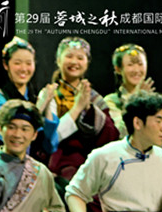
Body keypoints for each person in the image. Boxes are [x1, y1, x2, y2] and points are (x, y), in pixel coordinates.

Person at [46, 36, 119, 182]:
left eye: (80, 58)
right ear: (58, 60)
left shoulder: (94, 97)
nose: (74, 62)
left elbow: (112, 136)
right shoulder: (50, 95)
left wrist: (90, 110)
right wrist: (78, 108)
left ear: (87, 63)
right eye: (69, 56)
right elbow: (51, 137)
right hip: (60, 164)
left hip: (92, 162)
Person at [0, 37, 57, 159]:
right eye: (17, 63)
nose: (23, 69)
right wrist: (39, 108)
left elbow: (51, 146)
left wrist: (48, 106)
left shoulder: (37, 97)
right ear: (6, 64)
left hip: (34, 165)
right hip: (4, 164)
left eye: (28, 63)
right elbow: (14, 141)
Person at [104, 44, 162, 144]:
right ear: (118, 69)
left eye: (140, 64)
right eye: (130, 65)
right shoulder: (111, 101)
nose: (136, 70)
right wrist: (134, 101)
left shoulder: (151, 98)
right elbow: (121, 134)